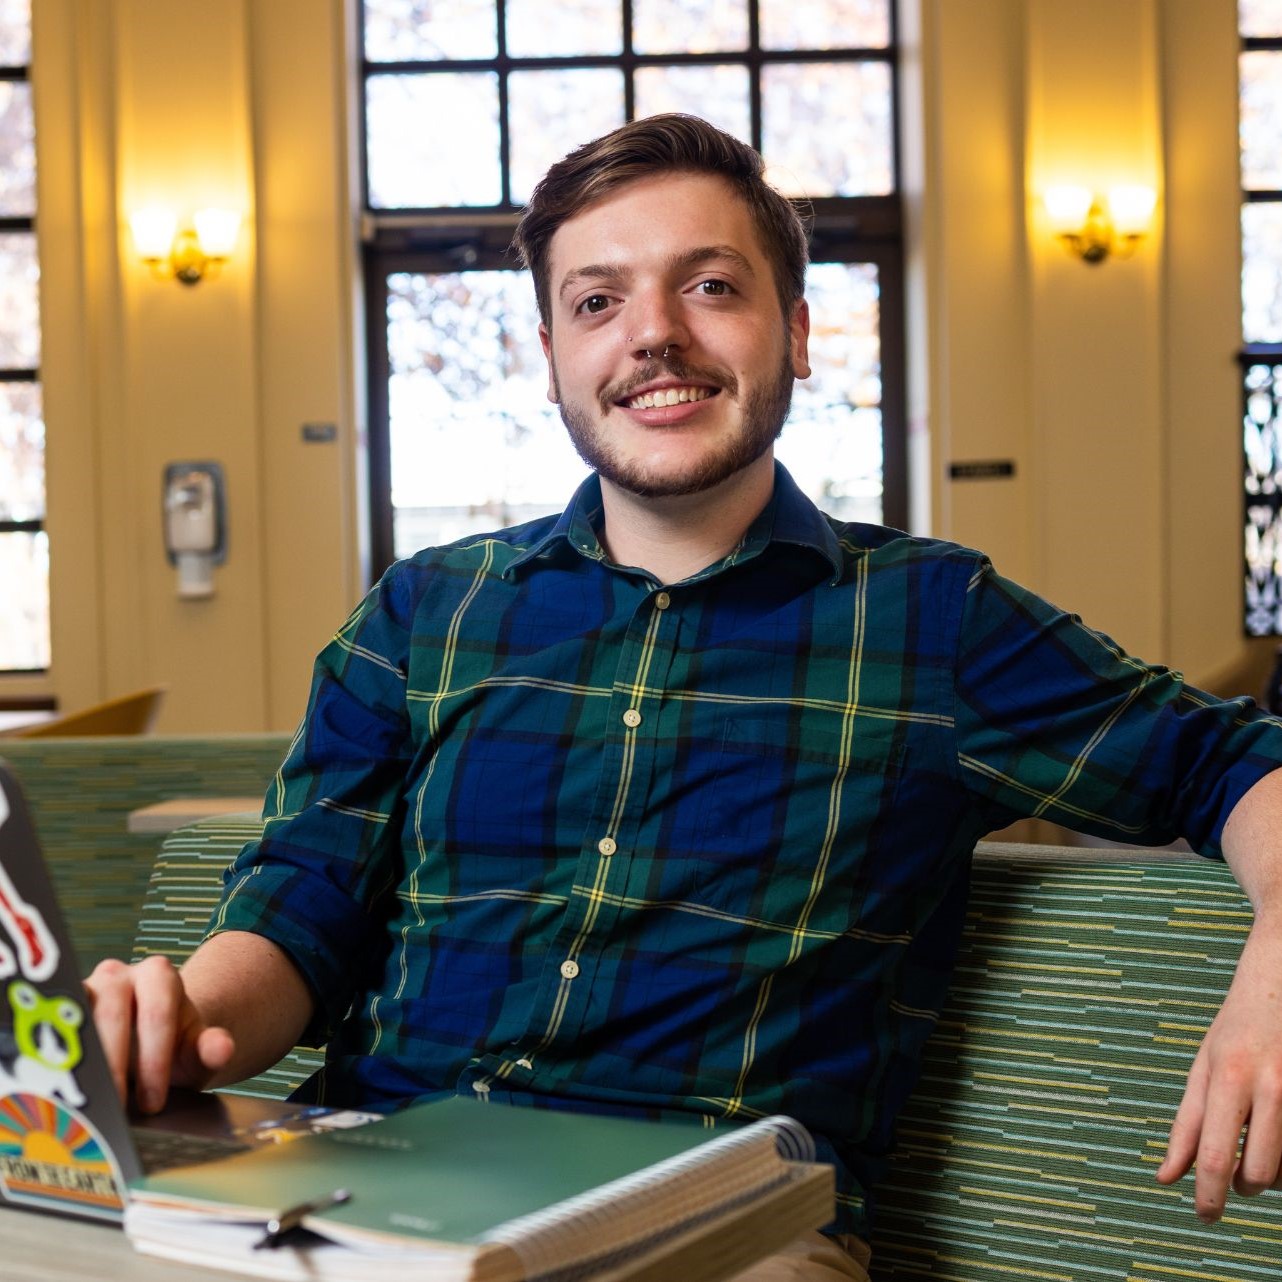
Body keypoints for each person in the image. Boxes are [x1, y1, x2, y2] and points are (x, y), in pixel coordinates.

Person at [87, 115, 1282, 1280]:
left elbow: (1233, 763)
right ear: (553, 353)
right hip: (366, 1186)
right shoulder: (418, 614)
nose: (652, 334)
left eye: (709, 286)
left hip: (716, 1222)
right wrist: (174, 1020)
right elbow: (300, 914)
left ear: (797, 332)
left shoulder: (935, 622)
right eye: (597, 302)